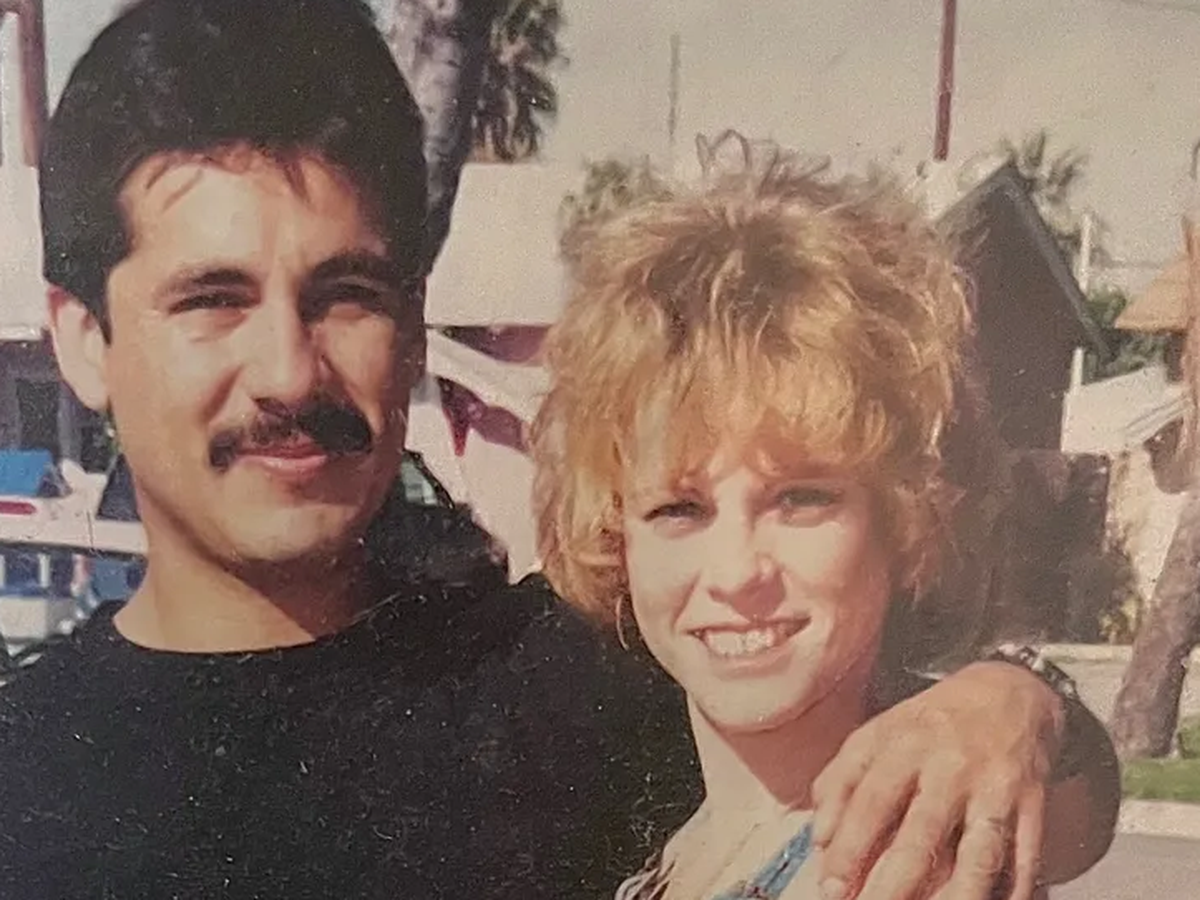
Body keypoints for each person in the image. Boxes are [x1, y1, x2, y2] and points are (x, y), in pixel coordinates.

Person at [0, 1, 1116, 898]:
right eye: (213, 300)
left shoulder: (563, 673)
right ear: (83, 340)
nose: (290, 372)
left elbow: (1024, 792)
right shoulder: (25, 767)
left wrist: (1010, 706)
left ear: (413, 327)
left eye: (347, 294)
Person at [530, 140, 1115, 900]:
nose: (737, 572)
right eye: (679, 508)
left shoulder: (903, 863)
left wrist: (1023, 702)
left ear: (907, 516)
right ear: (618, 537)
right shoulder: (696, 847)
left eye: (800, 499)